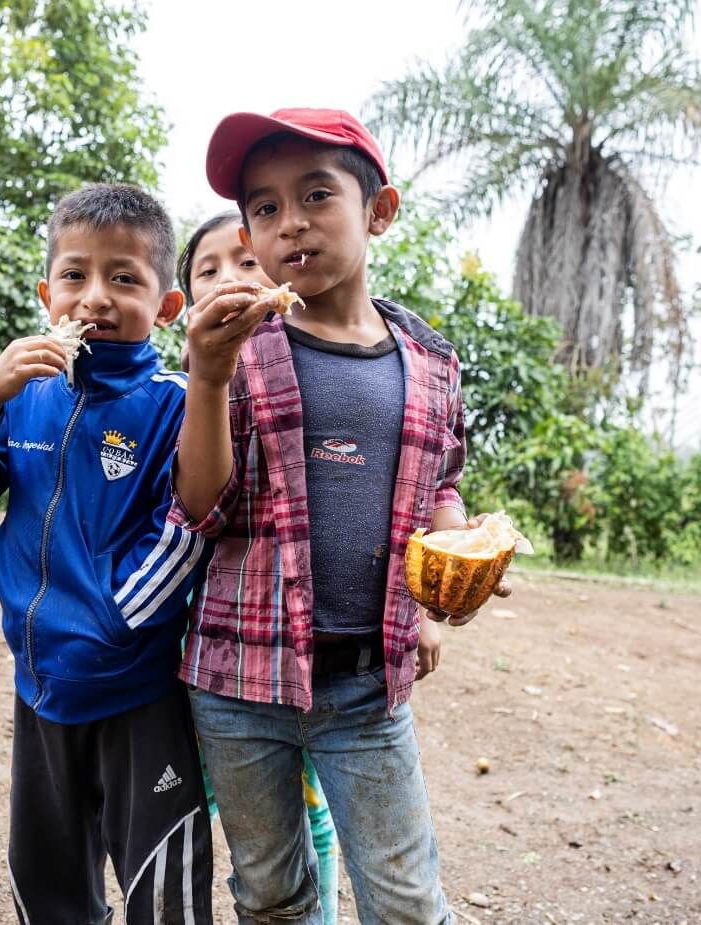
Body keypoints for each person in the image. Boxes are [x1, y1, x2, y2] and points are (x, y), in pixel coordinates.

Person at [173, 108, 485, 924]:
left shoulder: (428, 358)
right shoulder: (239, 347)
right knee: (272, 894)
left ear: (377, 210)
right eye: (265, 209)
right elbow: (201, 506)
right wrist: (205, 378)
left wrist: (448, 552)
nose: (290, 224)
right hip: (238, 678)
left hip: (364, 686)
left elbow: (440, 479)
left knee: (407, 900)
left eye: (316, 195)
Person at [0, 184, 213, 923]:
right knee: (47, 879)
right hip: (39, 686)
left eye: (124, 278)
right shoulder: (22, 392)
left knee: (164, 887)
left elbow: (183, 530)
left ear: (167, 305)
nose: (95, 297)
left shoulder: (175, 405)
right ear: (45, 290)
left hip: (134, 690)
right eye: (75, 275)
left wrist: (113, 626)